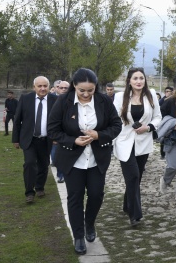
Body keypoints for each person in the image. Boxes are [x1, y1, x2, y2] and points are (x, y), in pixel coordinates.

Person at [47, 68, 122, 255]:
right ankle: (78, 235)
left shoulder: (104, 101)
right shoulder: (63, 101)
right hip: (73, 160)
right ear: (74, 86)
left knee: (96, 195)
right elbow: (52, 129)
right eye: (82, 91)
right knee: (75, 197)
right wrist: (73, 140)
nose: (87, 94)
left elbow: (116, 125)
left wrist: (100, 135)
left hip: (97, 159)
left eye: (91, 90)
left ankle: (89, 223)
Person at [113, 67, 162, 226]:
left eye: (141, 78)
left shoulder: (151, 95)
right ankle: (135, 215)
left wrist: (148, 127)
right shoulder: (120, 97)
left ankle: (127, 205)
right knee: (133, 175)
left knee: (137, 177)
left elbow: (158, 117)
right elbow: (114, 119)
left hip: (143, 142)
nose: (139, 81)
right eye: (135, 78)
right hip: (124, 141)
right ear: (129, 81)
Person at [12, 76, 57, 204]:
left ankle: (39, 187)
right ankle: (29, 192)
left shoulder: (55, 100)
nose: (42, 88)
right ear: (34, 87)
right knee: (30, 163)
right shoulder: (26, 99)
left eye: (45, 86)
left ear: (49, 87)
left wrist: (57, 137)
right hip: (29, 139)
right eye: (39, 86)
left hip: (46, 140)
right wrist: (16, 139)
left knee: (43, 165)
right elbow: (17, 120)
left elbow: (59, 120)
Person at [51, 80, 70, 183]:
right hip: (57, 134)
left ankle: (64, 175)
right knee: (56, 157)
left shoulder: (72, 99)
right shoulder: (51, 99)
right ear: (56, 88)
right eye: (60, 87)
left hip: (69, 133)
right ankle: (60, 174)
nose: (63, 89)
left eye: (65, 88)